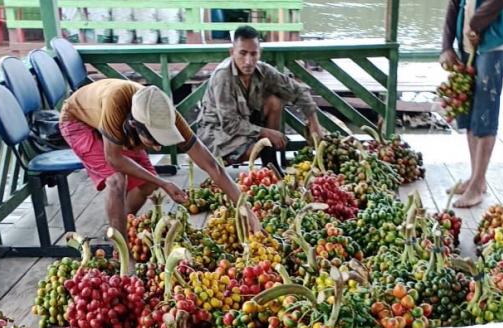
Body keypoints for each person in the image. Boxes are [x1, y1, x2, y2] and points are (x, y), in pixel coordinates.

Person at [59, 79, 258, 237]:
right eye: (153, 140)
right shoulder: (117, 105)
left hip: (113, 123)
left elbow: (212, 166)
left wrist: (246, 208)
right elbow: (114, 159)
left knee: (147, 185)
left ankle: (120, 227)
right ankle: (121, 252)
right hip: (77, 121)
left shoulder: (163, 112)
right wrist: (163, 182)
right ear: (136, 127)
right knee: (117, 180)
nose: (158, 146)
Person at [197, 25, 323, 170]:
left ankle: (270, 165)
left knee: (274, 102)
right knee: (259, 145)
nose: (248, 61)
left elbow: (298, 91)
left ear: (260, 53)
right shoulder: (223, 77)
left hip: (246, 124)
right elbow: (229, 124)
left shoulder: (263, 70)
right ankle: (263, 160)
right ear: (232, 52)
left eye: (253, 54)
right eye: (243, 53)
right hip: (218, 133)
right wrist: (266, 133)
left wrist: (314, 123)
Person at [440, 0, 503, 207]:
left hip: (493, 42)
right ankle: (476, 178)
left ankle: (477, 185)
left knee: (485, 112)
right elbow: (453, 3)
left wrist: (475, 24)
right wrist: (446, 46)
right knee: (468, 111)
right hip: (468, 41)